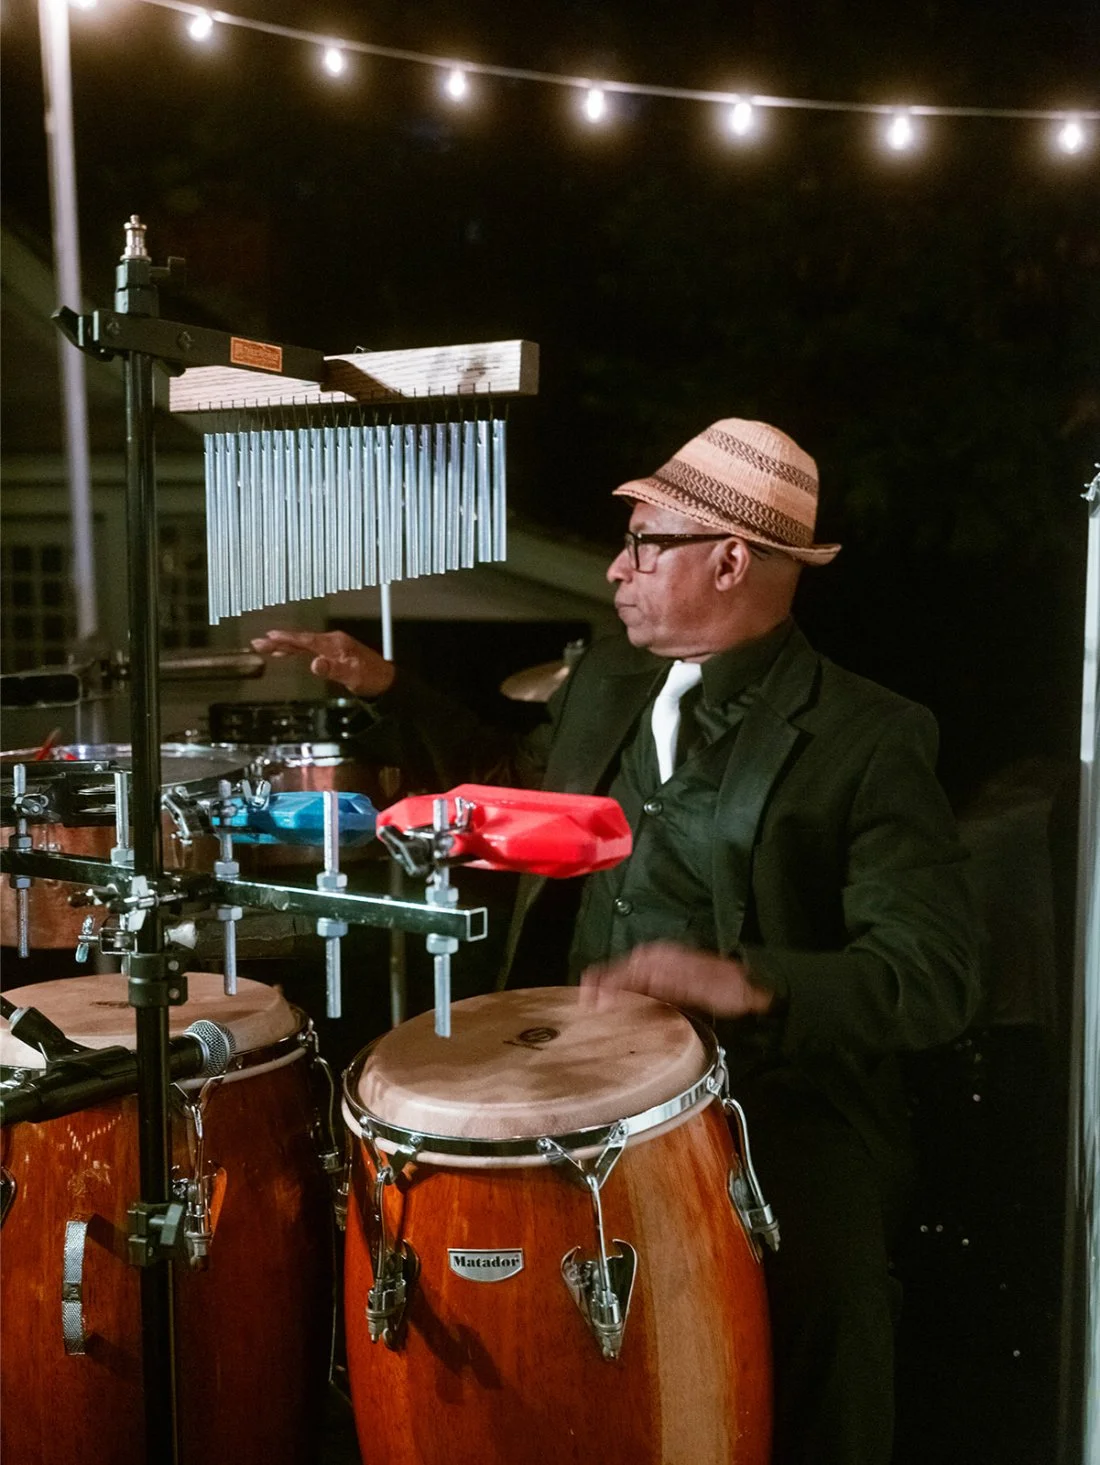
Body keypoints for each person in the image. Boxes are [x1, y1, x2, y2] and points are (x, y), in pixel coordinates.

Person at [252, 417, 979, 1465]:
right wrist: (390, 690)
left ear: (730, 559)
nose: (615, 567)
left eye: (645, 543)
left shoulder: (867, 737)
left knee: (829, 1298)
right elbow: (521, 784)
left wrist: (745, 981)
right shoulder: (608, 683)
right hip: (583, 1067)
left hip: (772, 1092)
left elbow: (932, 975)